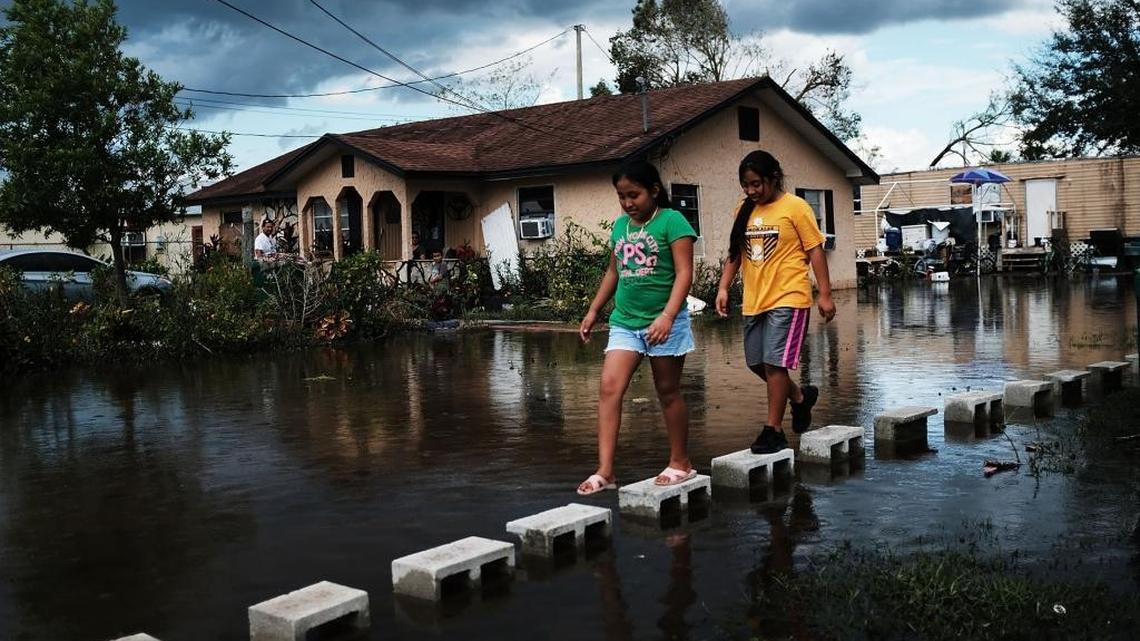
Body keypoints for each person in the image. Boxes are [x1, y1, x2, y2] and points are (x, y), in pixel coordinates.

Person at [577, 159, 697, 495]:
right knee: (609, 389)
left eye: (635, 195)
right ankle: (606, 471)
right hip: (625, 322)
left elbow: (685, 274)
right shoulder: (620, 227)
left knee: (667, 391)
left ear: (654, 191)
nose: (629, 203)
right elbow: (613, 272)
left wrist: (668, 316)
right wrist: (593, 310)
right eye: (622, 197)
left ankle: (681, 462)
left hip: (665, 321)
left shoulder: (673, 222)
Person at [715, 150, 836, 455]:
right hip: (756, 299)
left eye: (756, 184)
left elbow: (815, 251)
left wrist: (824, 294)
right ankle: (799, 397)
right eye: (746, 185)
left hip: (789, 296)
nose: (751, 190)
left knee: (774, 364)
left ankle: (774, 431)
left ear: (774, 178)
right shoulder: (742, 210)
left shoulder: (795, 207)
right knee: (756, 362)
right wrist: (723, 287)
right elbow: (735, 252)